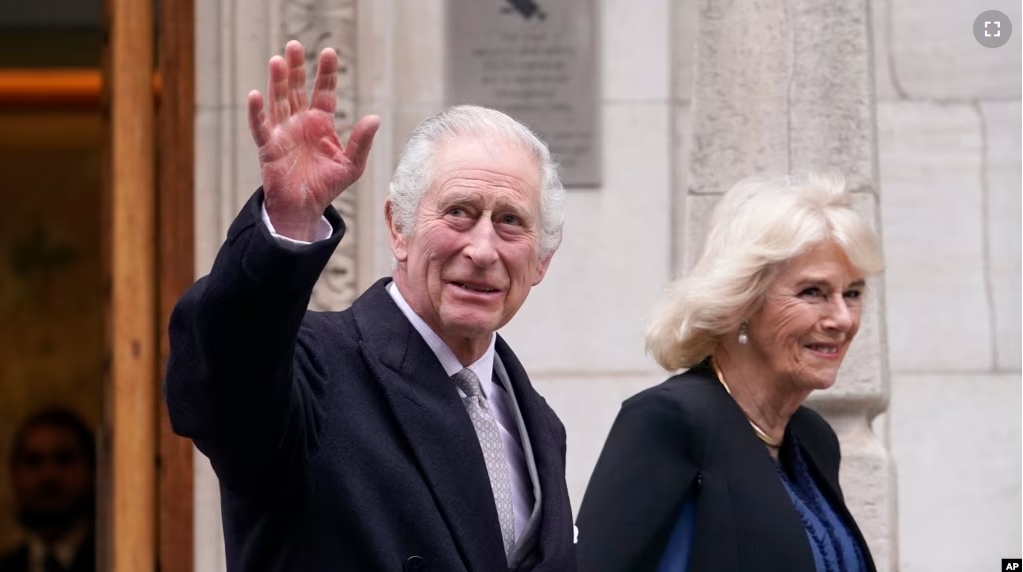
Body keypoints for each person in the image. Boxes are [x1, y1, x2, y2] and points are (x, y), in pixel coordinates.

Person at [164, 40, 575, 572]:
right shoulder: (312, 373)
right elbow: (215, 383)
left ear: (541, 261)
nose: (481, 249)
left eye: (510, 222)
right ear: (398, 228)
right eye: (458, 212)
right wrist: (286, 228)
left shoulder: (539, 423)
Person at [575, 173, 882, 572]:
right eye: (813, 292)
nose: (841, 318)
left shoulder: (813, 438)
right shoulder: (671, 420)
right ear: (742, 302)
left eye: (853, 294)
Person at [0, 408, 96, 572]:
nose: (48, 475)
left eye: (64, 459)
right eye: (33, 461)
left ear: (93, 469)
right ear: (14, 472)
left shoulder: (115, 561)